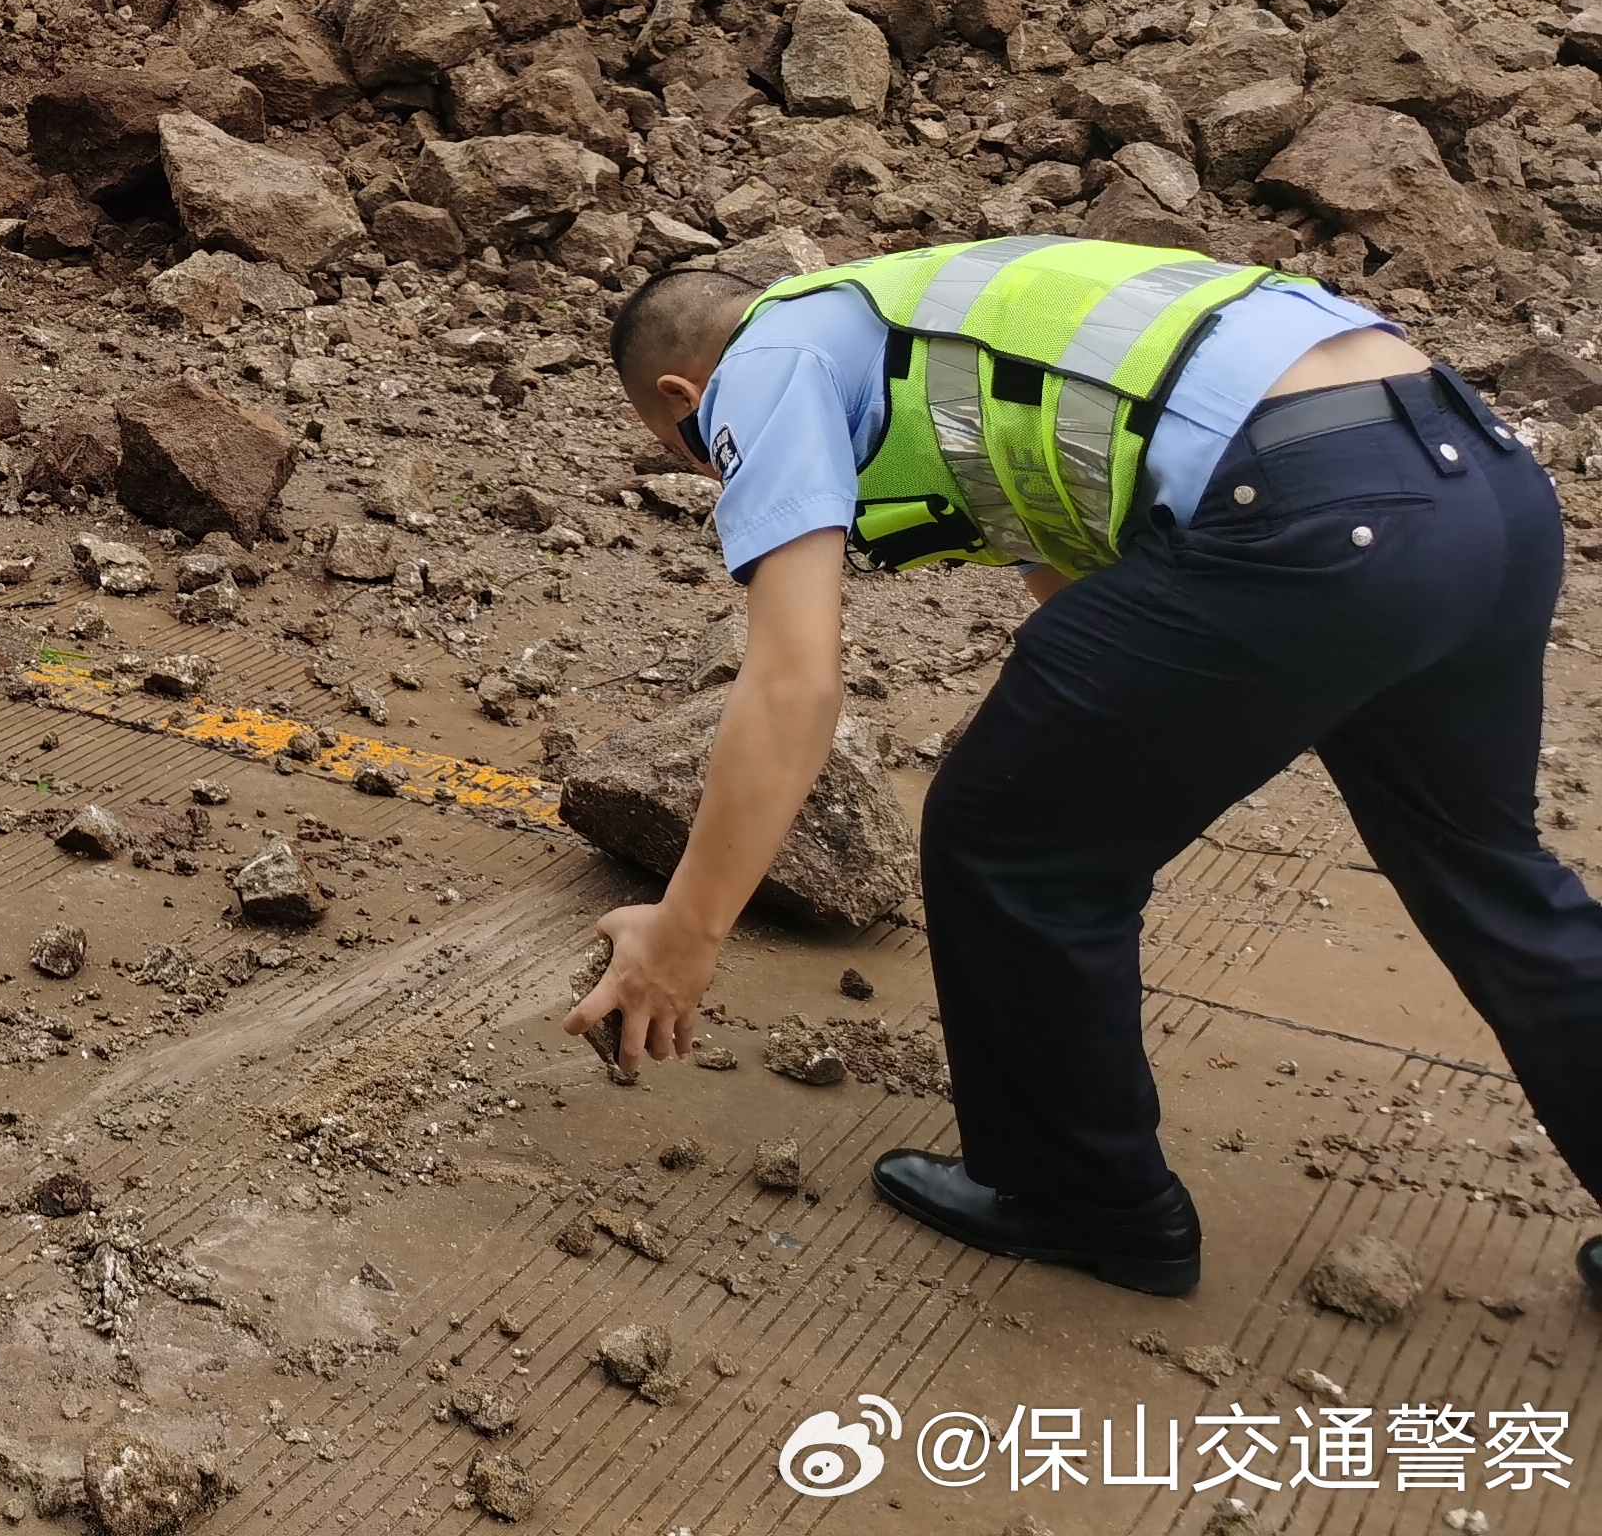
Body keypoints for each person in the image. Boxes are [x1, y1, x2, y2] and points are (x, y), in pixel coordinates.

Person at [574, 237, 1602, 1306]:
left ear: (683, 395)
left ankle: (1081, 1196)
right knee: (1487, 868)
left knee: (1004, 836)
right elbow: (1086, 589)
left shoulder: (768, 361)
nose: (717, 469)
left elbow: (793, 685)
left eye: (696, 452)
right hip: (1480, 482)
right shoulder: (945, 332)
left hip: (1316, 510)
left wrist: (682, 936)